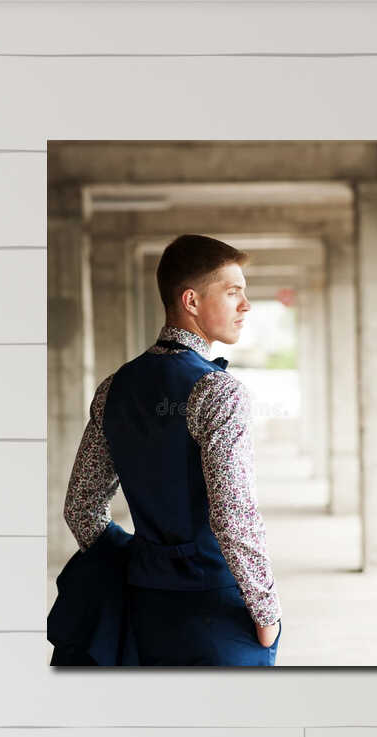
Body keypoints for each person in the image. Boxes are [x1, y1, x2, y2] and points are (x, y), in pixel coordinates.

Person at [48, 235, 281, 667]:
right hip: (217, 610)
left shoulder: (113, 388)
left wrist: (138, 559)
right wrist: (267, 613)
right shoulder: (218, 390)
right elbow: (233, 514)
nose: (246, 305)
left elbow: (81, 507)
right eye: (234, 293)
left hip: (145, 610)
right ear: (191, 301)